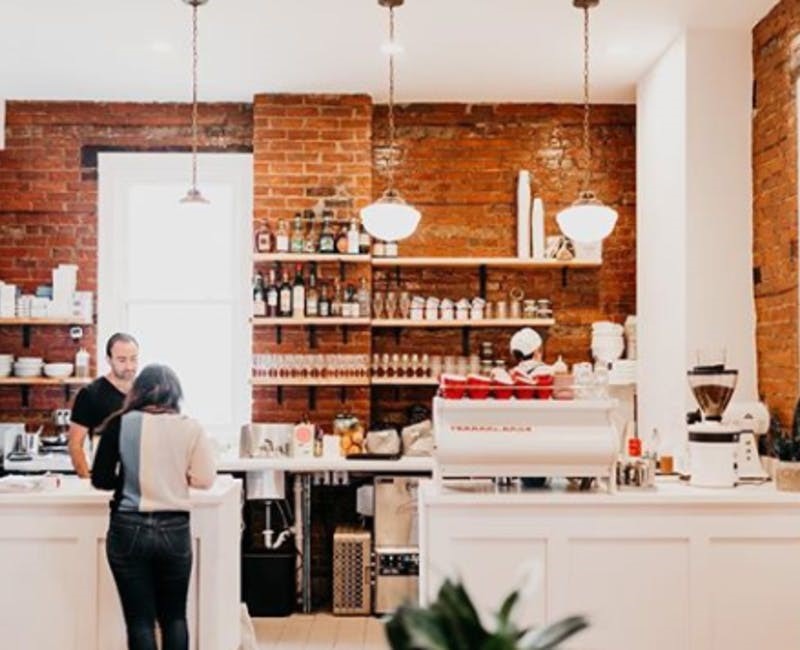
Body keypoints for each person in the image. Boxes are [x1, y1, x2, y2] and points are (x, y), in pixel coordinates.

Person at [91, 364, 216, 650]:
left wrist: (130, 475)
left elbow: (100, 479)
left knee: (139, 621)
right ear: (176, 394)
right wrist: (177, 474)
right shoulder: (191, 427)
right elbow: (205, 479)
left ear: (138, 392)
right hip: (174, 530)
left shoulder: (120, 423)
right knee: (174, 617)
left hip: (128, 529)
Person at [69, 333, 139, 477]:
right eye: (122, 360)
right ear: (109, 360)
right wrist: (87, 481)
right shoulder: (90, 394)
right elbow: (75, 445)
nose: (129, 366)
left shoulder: (148, 391)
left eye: (133, 359)